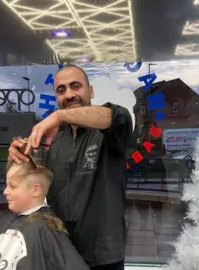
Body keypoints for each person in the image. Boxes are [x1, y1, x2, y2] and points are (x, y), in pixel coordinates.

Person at [8, 64, 133, 270]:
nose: (69, 95)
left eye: (76, 86)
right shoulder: (57, 139)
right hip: (62, 252)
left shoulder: (109, 130)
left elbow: (116, 116)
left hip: (103, 256)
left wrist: (58, 116)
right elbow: (40, 183)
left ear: (90, 91)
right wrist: (20, 156)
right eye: (61, 90)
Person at [0, 156, 89, 270]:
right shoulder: (20, 223)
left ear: (36, 190)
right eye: (6, 185)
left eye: (12, 186)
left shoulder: (46, 230)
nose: (5, 191)